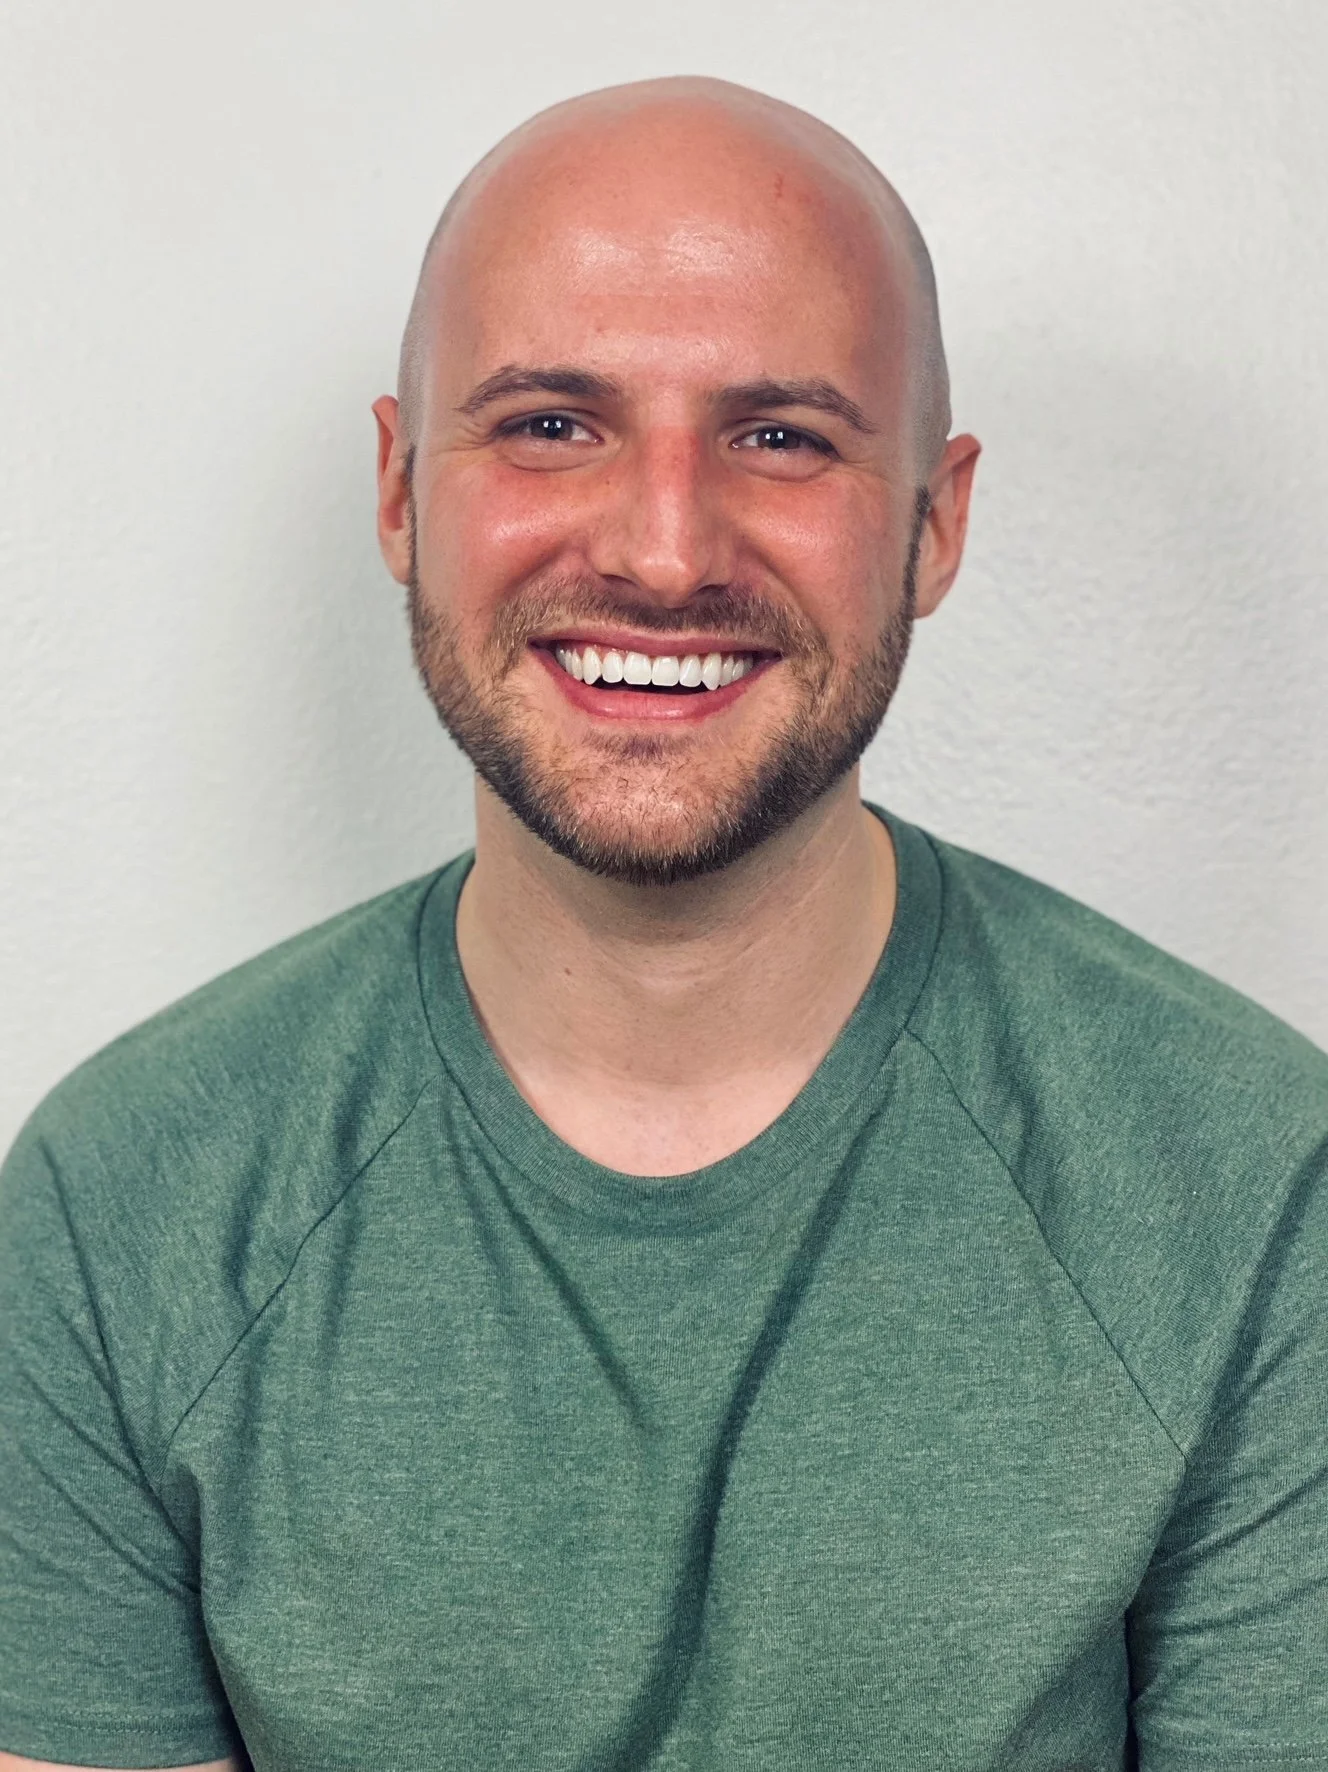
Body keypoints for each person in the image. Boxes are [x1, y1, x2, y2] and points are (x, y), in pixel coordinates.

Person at [1, 74, 1325, 1772]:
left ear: (932, 521)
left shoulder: (1255, 1187)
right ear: (403, 492)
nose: (664, 546)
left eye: (781, 436)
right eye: (552, 422)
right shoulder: (128, 1205)